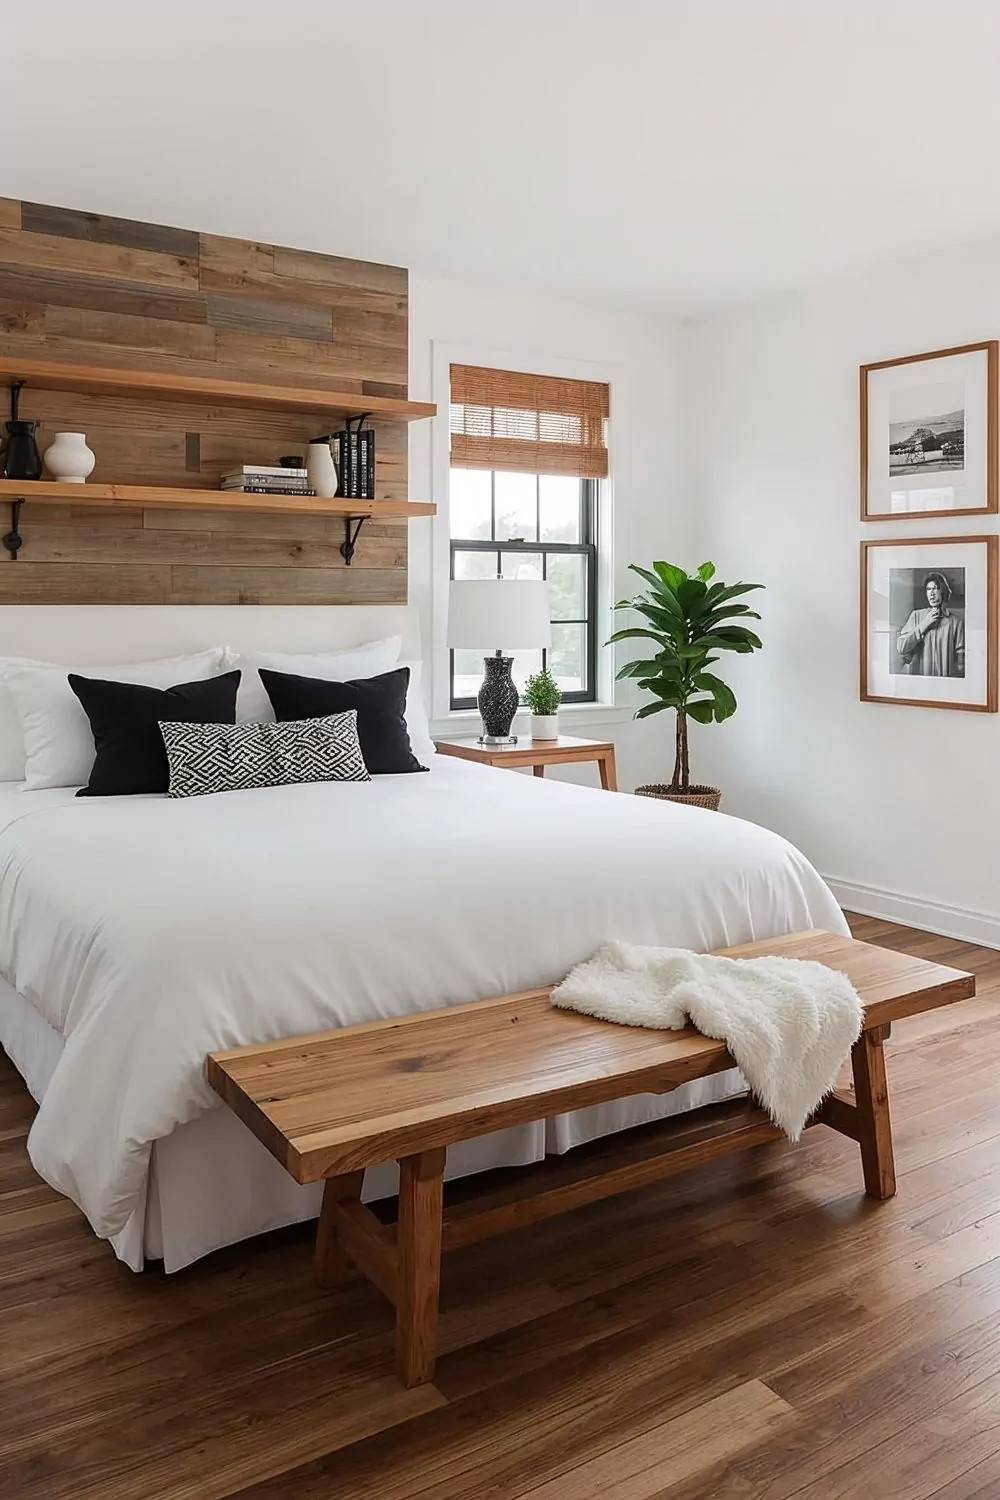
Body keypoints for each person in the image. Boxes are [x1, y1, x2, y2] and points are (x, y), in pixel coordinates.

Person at [895, 572, 965, 677]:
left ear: (943, 591)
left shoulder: (956, 623)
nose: (931, 593)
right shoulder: (916, 616)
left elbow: (961, 663)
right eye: (928, 589)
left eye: (935, 588)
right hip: (920, 685)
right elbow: (901, 648)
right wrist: (923, 625)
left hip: (945, 685)